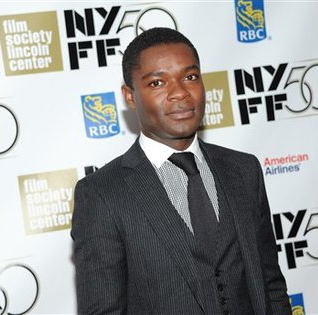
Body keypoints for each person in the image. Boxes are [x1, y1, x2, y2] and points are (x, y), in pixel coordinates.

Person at [71, 27, 291, 315]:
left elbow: (271, 286)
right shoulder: (102, 194)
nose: (179, 93)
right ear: (130, 96)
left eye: (190, 77)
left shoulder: (244, 170)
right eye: (157, 83)